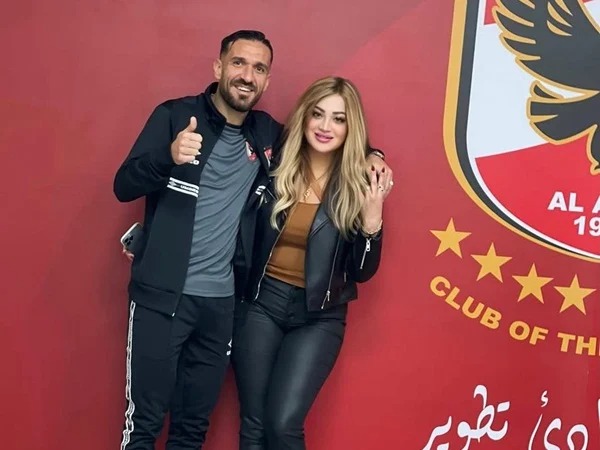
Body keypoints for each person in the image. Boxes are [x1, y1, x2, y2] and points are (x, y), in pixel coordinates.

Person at [113, 30, 391, 450]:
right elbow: (125, 186)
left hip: (223, 304)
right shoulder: (177, 116)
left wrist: (374, 156)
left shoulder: (266, 136)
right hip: (171, 295)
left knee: (193, 430)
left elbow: (334, 140)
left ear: (267, 80)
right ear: (218, 67)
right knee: (146, 425)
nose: (247, 75)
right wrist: (167, 158)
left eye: (258, 68)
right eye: (238, 63)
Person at [232, 76, 391, 450]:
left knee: (283, 424)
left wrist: (372, 221)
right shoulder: (275, 157)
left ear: (350, 127)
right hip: (260, 303)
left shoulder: (360, 181)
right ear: (304, 116)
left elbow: (362, 272)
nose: (325, 126)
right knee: (254, 424)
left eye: (338, 119)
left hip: (319, 316)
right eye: (317, 114)